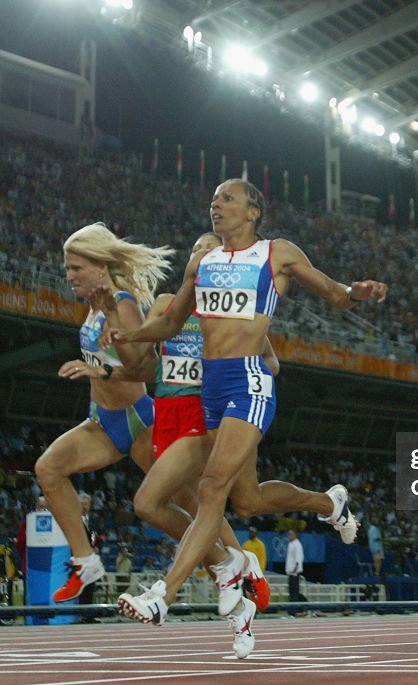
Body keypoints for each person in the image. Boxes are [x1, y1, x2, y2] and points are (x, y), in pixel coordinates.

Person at [116, 179, 387, 656]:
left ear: (253, 212)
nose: (215, 204)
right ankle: (330, 504)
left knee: (210, 488)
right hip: (213, 390)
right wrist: (132, 338)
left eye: (226, 199)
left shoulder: (276, 253)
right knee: (247, 501)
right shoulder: (202, 261)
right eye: (213, 198)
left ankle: (163, 596)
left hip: (250, 382)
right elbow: (172, 322)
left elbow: (332, 292)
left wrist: (357, 291)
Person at [124, 232, 276, 618]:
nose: (202, 255)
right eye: (196, 250)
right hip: (166, 412)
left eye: (212, 251)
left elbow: (270, 364)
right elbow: (139, 364)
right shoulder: (165, 304)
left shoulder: (230, 312)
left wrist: (236, 376)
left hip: (203, 412)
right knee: (187, 503)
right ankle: (235, 576)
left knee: (201, 497)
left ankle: (227, 567)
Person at [33, 222, 171, 603]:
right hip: (103, 422)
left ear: (100, 265)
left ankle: (230, 564)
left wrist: (101, 370)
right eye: (67, 268)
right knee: (48, 470)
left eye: (76, 267)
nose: (69, 275)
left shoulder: (122, 304)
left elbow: (148, 370)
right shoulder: (95, 305)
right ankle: (85, 560)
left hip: (139, 420)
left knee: (179, 506)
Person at [285, 529, 307, 602]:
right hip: (291, 572)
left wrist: (295, 572)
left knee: (294, 592)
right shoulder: (291, 544)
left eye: (291, 534)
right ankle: (303, 606)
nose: (289, 536)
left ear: (295, 535)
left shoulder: (297, 545)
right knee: (292, 591)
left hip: (294, 572)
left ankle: (296, 609)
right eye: (288, 534)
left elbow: (298, 559)